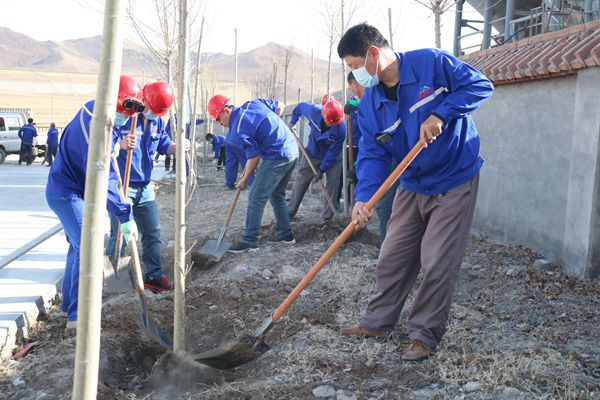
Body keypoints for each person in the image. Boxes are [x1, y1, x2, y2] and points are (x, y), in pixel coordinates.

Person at [337, 23, 494, 361]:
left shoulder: (431, 64)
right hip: (412, 182)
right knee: (392, 255)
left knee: (437, 260)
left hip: (454, 177)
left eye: (353, 65)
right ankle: (377, 323)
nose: (354, 75)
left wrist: (442, 112)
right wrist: (364, 197)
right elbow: (372, 154)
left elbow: (481, 85)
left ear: (373, 54)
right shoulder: (371, 104)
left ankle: (423, 334)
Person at [46, 75, 142, 330]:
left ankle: (69, 307)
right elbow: (106, 176)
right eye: (124, 110)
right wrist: (124, 214)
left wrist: (118, 145)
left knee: (77, 248)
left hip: (73, 190)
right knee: (88, 247)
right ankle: (79, 318)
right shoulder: (97, 126)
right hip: (67, 193)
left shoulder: (97, 112)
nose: (126, 117)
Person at [105, 81, 187, 293]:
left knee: (152, 233)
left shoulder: (157, 121)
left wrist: (177, 148)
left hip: (145, 187)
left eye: (159, 112)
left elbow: (163, 145)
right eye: (151, 109)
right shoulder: (126, 117)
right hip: (122, 186)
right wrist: (120, 144)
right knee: (120, 235)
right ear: (144, 101)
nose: (153, 114)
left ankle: (154, 275)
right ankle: (113, 279)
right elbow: (104, 143)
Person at [208, 94, 298, 253]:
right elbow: (280, 106)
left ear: (226, 111)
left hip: (277, 155)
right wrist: (269, 129)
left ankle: (250, 240)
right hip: (292, 150)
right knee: (277, 195)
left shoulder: (237, 129)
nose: (220, 123)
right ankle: (286, 235)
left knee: (256, 197)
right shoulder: (253, 103)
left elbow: (254, 157)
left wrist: (244, 179)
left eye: (218, 118)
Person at [288, 100, 345, 222]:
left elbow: (333, 152)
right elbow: (299, 107)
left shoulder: (341, 130)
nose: (331, 125)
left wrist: (322, 169)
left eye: (334, 123)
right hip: (313, 153)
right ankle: (290, 212)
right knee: (301, 180)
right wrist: (292, 122)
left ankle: (327, 217)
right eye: (329, 123)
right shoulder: (313, 111)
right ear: (324, 115)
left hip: (333, 159)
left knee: (333, 182)